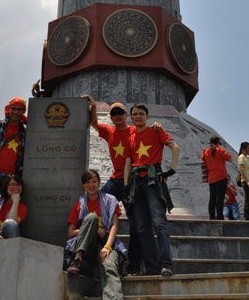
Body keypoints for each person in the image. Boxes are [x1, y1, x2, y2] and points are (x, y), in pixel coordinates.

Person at [82, 95, 161, 275]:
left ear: (126, 115)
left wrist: (157, 126)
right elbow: (93, 123)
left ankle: (134, 265)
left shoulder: (135, 131)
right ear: (111, 117)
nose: (117, 116)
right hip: (114, 179)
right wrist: (93, 105)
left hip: (132, 181)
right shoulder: (109, 131)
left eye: (120, 113)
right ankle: (88, 251)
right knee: (93, 204)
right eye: (114, 113)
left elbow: (150, 134)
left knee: (136, 225)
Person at [123, 103, 180, 277]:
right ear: (131, 117)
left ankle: (165, 264)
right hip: (135, 182)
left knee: (159, 223)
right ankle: (152, 267)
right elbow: (127, 162)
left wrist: (171, 170)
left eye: (141, 113)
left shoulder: (156, 131)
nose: (138, 116)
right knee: (142, 227)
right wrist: (126, 187)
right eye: (135, 114)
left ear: (147, 117)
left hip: (152, 180)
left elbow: (175, 147)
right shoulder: (130, 135)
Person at [65, 169, 126, 300]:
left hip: (106, 242)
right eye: (88, 182)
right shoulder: (79, 204)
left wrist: (108, 247)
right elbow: (70, 233)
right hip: (87, 247)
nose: (91, 185)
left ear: (99, 183)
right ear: (83, 185)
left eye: (94, 182)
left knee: (109, 265)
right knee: (91, 218)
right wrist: (93, 230)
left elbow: (114, 225)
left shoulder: (110, 200)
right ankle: (78, 258)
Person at [200, 136, 232, 220]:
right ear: (218, 143)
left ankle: (211, 216)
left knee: (212, 198)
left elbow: (202, 158)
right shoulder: (219, 150)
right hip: (221, 177)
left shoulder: (206, 151)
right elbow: (230, 158)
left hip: (211, 178)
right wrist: (219, 149)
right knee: (220, 198)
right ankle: (220, 217)